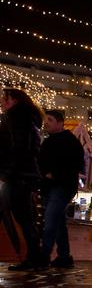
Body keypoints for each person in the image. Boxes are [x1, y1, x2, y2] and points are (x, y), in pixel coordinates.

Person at [0, 88, 46, 271]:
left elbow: (18, 148)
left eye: (5, 99)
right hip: (21, 174)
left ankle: (36, 257)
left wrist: (7, 172)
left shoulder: (17, 119)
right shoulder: (26, 119)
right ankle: (36, 257)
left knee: (24, 217)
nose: (2, 102)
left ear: (15, 100)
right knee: (24, 217)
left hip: (17, 175)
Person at [37, 109, 84, 268]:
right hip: (48, 186)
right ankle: (64, 256)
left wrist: (54, 174)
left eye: (49, 120)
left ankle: (44, 256)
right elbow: (40, 162)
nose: (46, 123)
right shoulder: (48, 140)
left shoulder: (69, 141)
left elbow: (76, 164)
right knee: (57, 221)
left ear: (59, 122)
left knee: (51, 219)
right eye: (46, 120)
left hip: (62, 186)